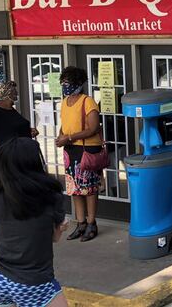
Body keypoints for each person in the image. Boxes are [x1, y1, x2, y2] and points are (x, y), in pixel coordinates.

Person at [0, 137, 69, 307]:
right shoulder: (51, 197)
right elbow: (54, 238)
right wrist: (62, 226)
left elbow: (5, 229)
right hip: (32, 281)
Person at [55, 66, 103, 242]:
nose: (65, 85)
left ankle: (91, 223)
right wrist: (61, 136)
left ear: (78, 83)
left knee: (89, 188)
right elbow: (64, 124)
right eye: (63, 82)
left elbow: (93, 128)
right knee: (74, 189)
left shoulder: (87, 101)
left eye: (68, 82)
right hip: (70, 150)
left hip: (87, 150)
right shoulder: (64, 102)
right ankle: (80, 223)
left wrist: (68, 137)